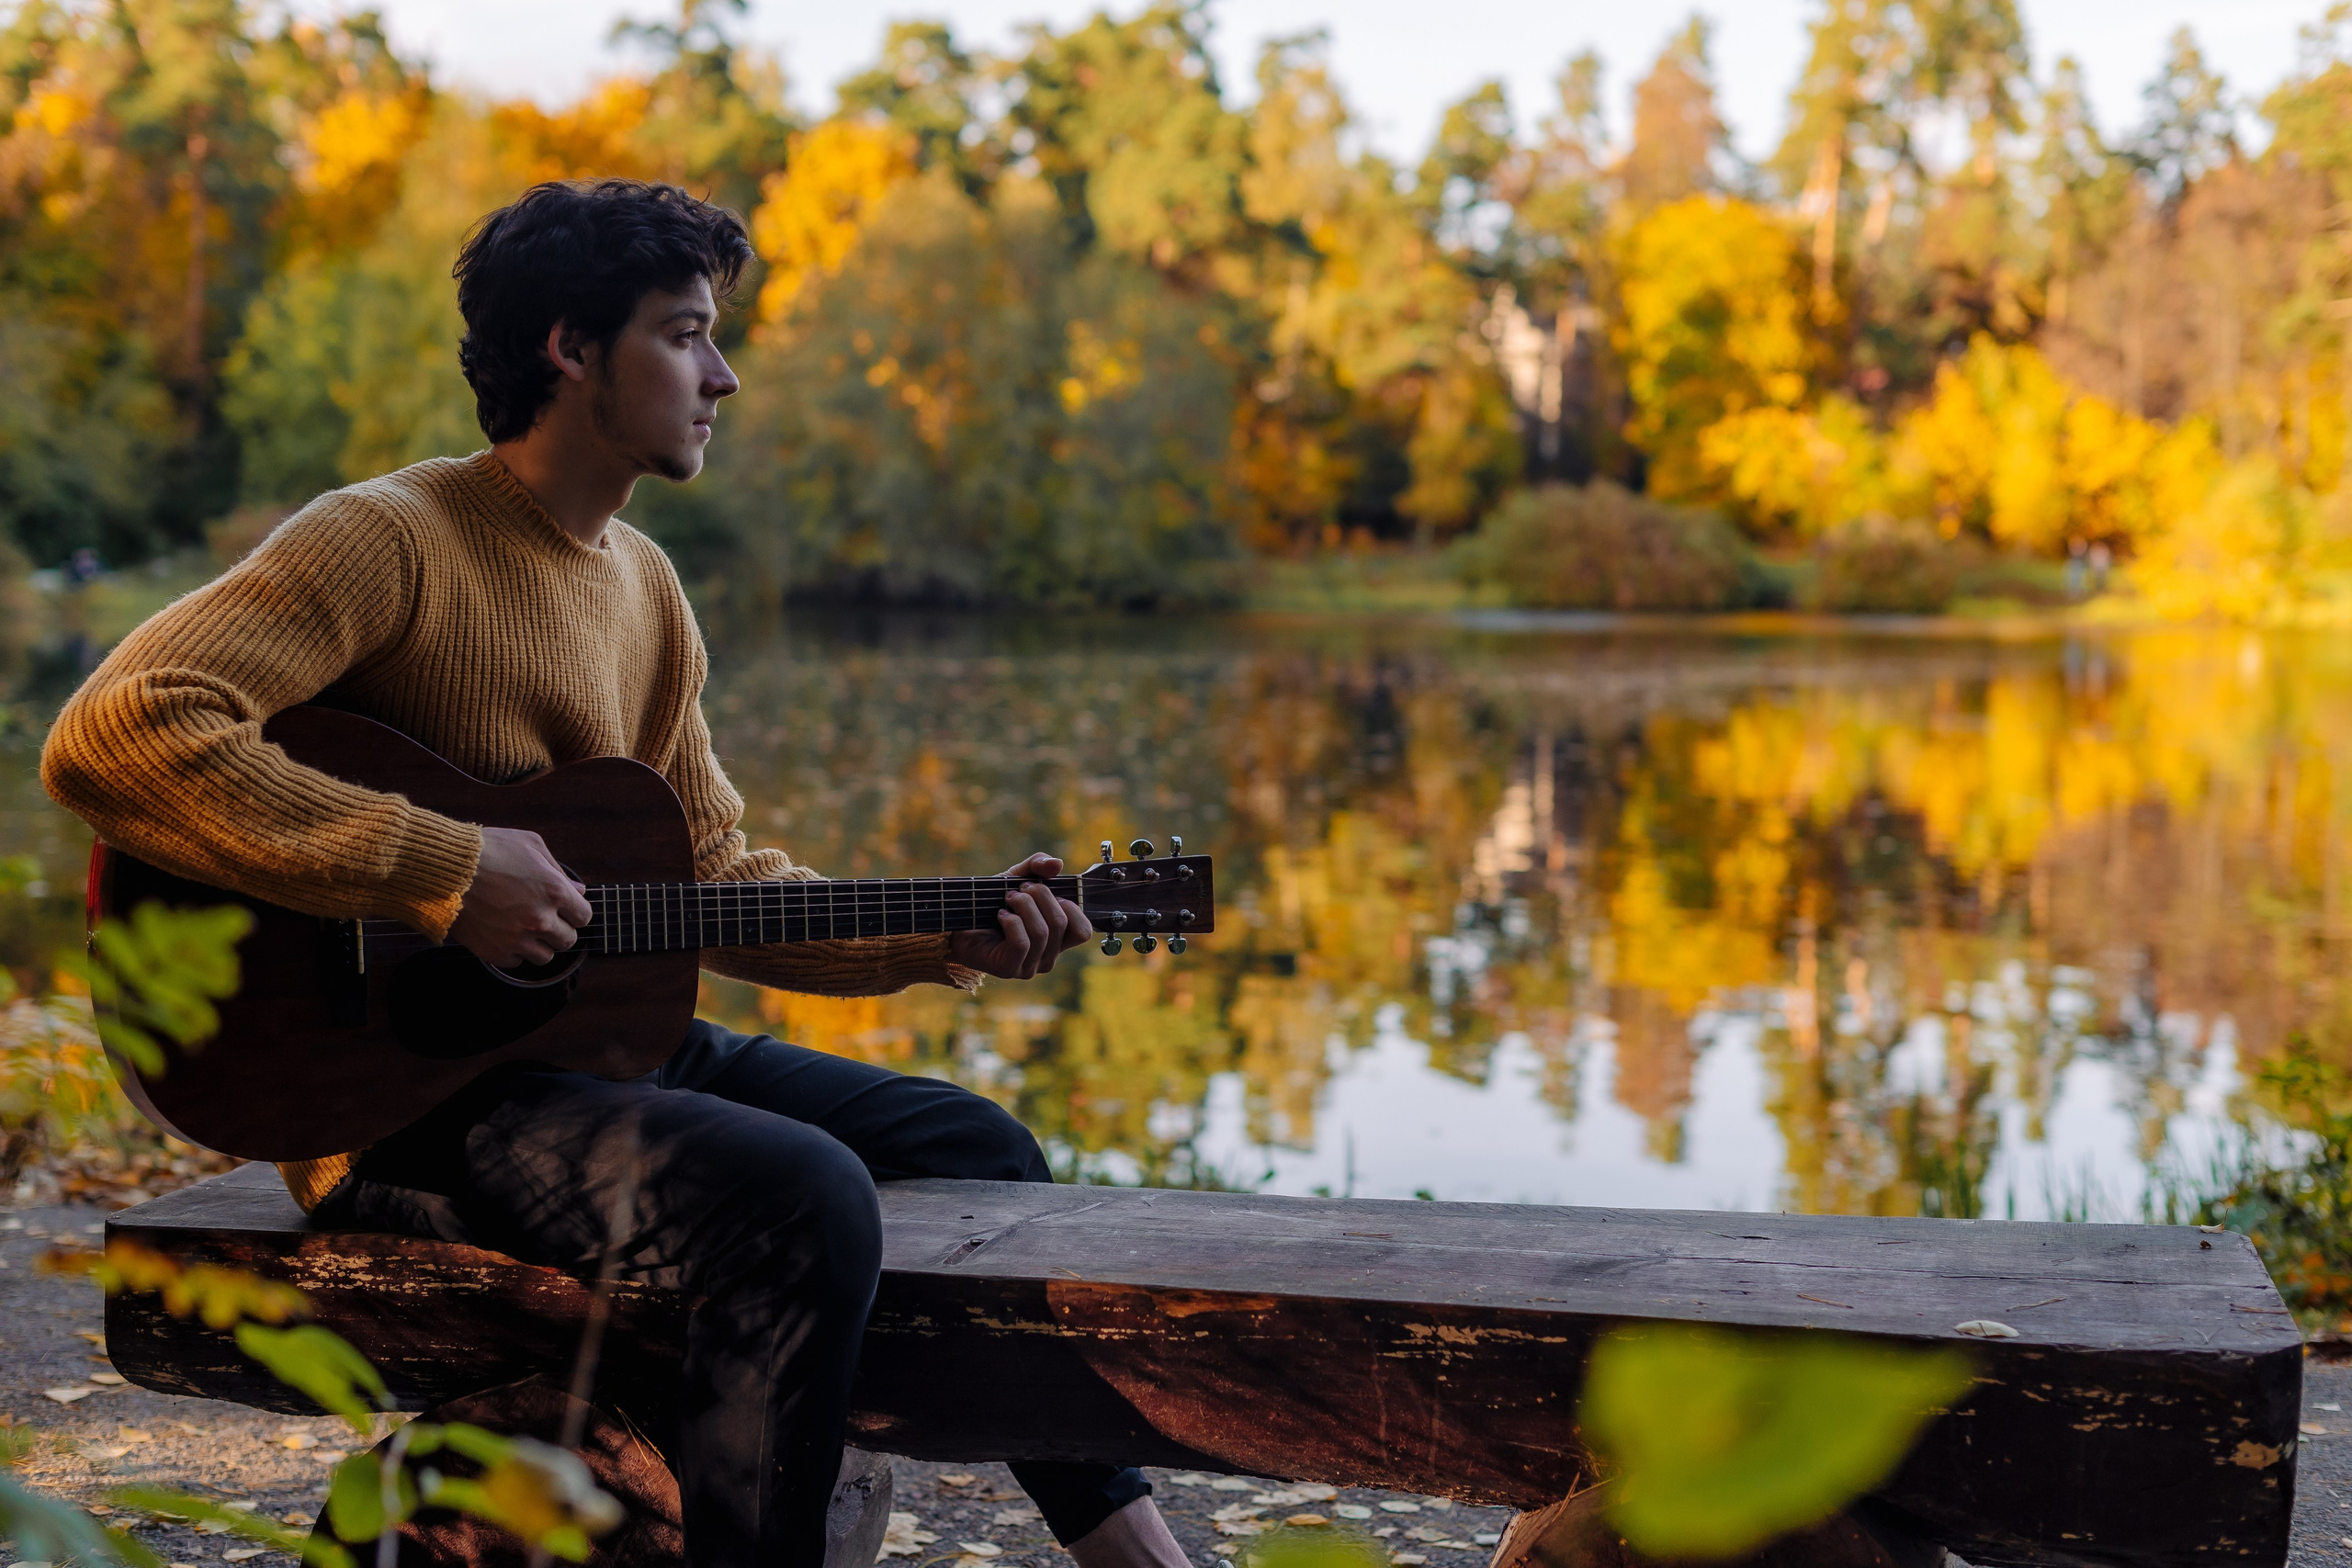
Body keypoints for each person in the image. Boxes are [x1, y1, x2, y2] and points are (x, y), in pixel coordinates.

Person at [40, 179, 1191, 1568]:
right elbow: (116, 730)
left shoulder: (645, 587)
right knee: (803, 1196)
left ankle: (1136, 1551)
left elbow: (710, 869)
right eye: (686, 333)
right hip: (402, 1106)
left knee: (982, 1148)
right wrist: (444, 867)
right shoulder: (388, 538)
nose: (726, 373)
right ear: (572, 350)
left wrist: (945, 935)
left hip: (598, 1052)